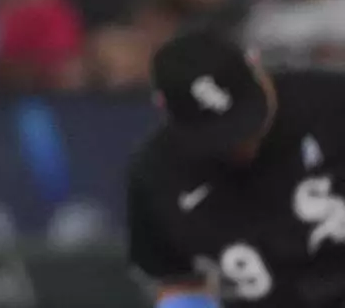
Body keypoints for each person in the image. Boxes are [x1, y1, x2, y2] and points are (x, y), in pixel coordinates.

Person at [126, 22, 345, 308]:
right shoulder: (155, 176)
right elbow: (177, 283)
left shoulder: (333, 104)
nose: (240, 144)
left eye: (244, 120)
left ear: (257, 67)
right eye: (217, 134)